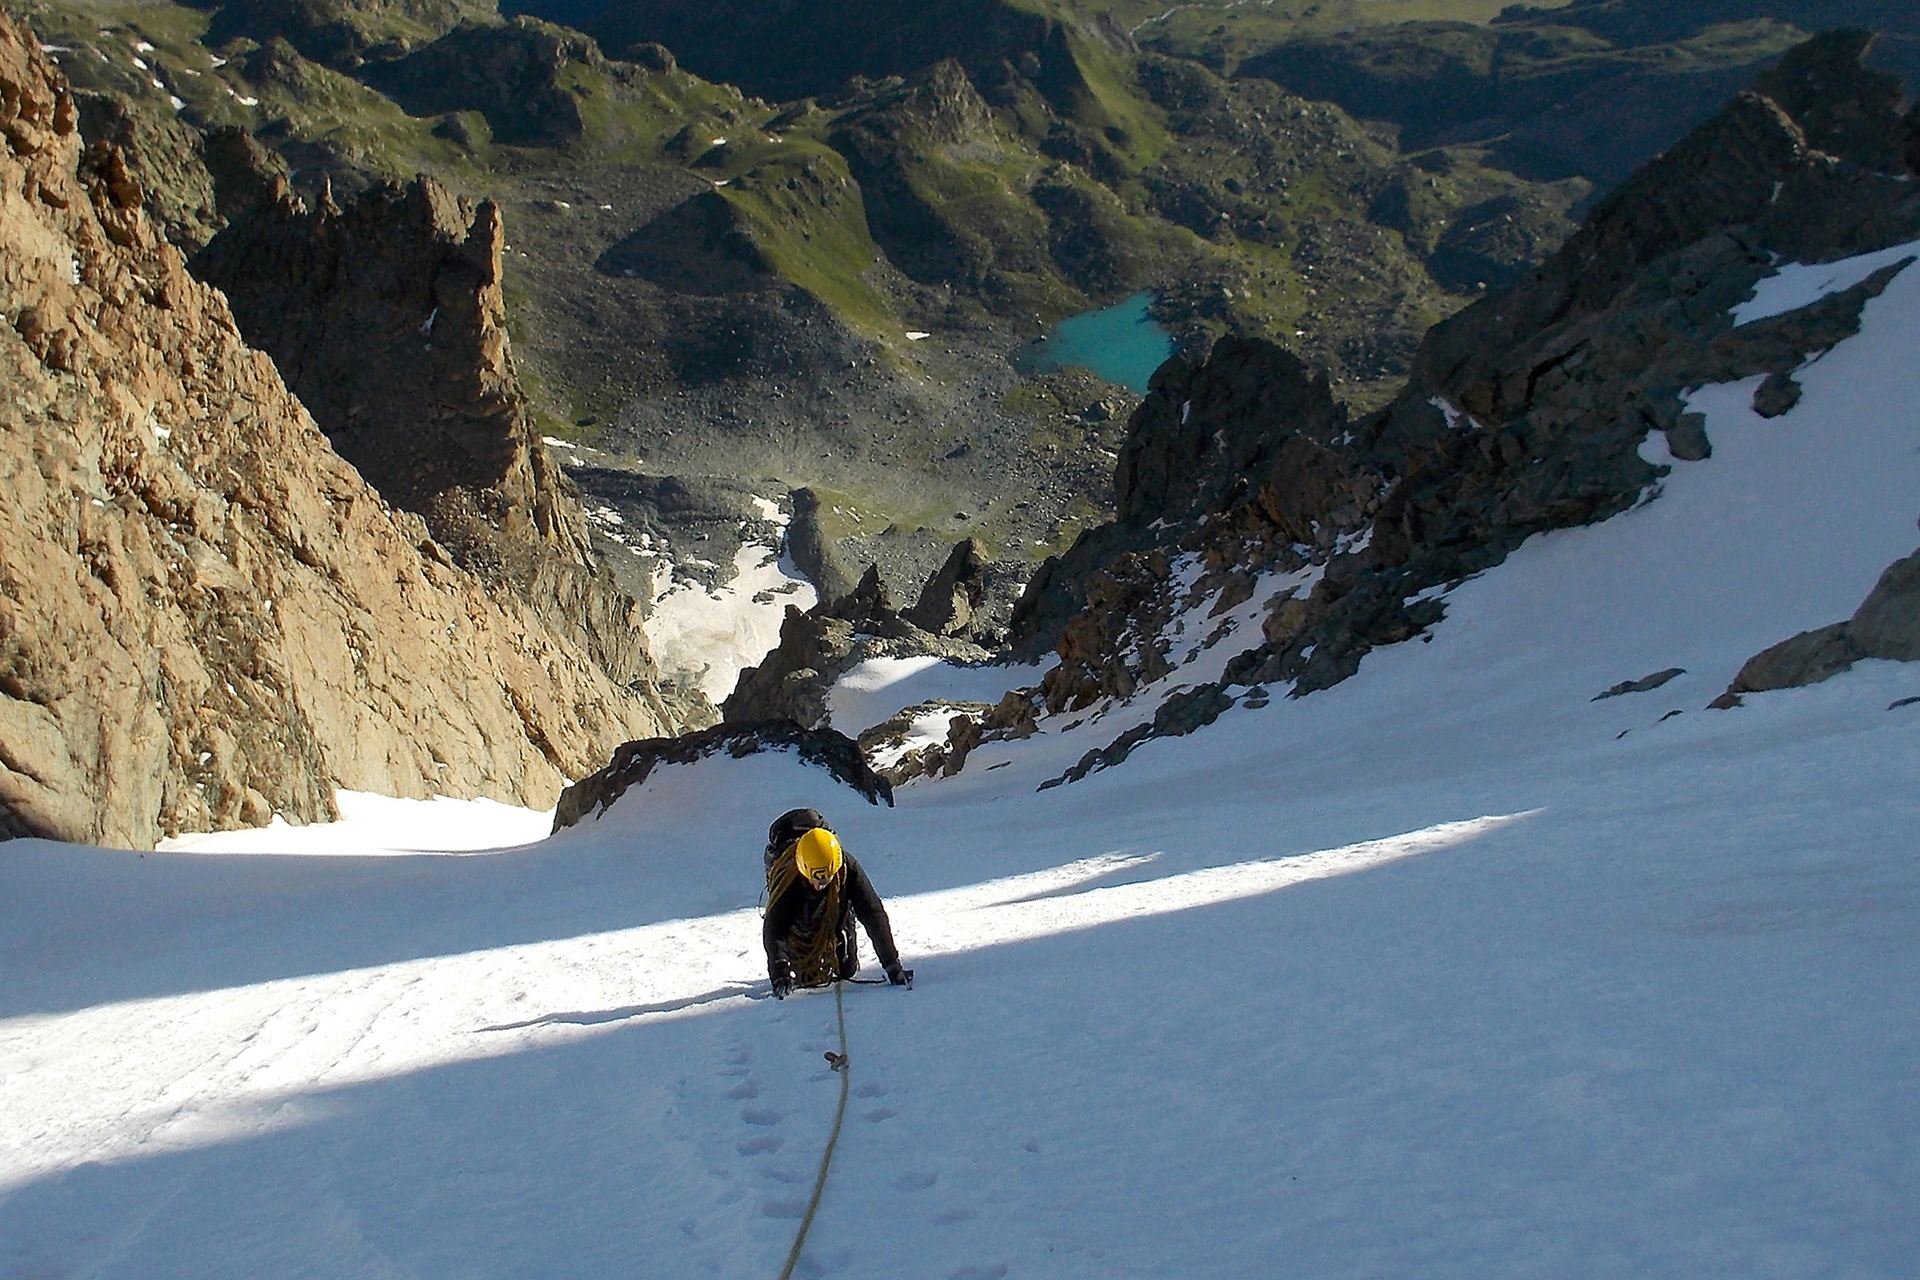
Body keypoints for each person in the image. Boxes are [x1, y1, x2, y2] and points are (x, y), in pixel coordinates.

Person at [762, 808, 911, 998]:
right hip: (797, 913)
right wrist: (780, 974)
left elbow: (873, 914)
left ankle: (839, 934)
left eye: (826, 881)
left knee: (846, 970)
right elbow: (775, 929)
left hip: (834, 912)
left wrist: (892, 964)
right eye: (815, 880)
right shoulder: (788, 879)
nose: (819, 886)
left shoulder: (848, 868)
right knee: (801, 975)